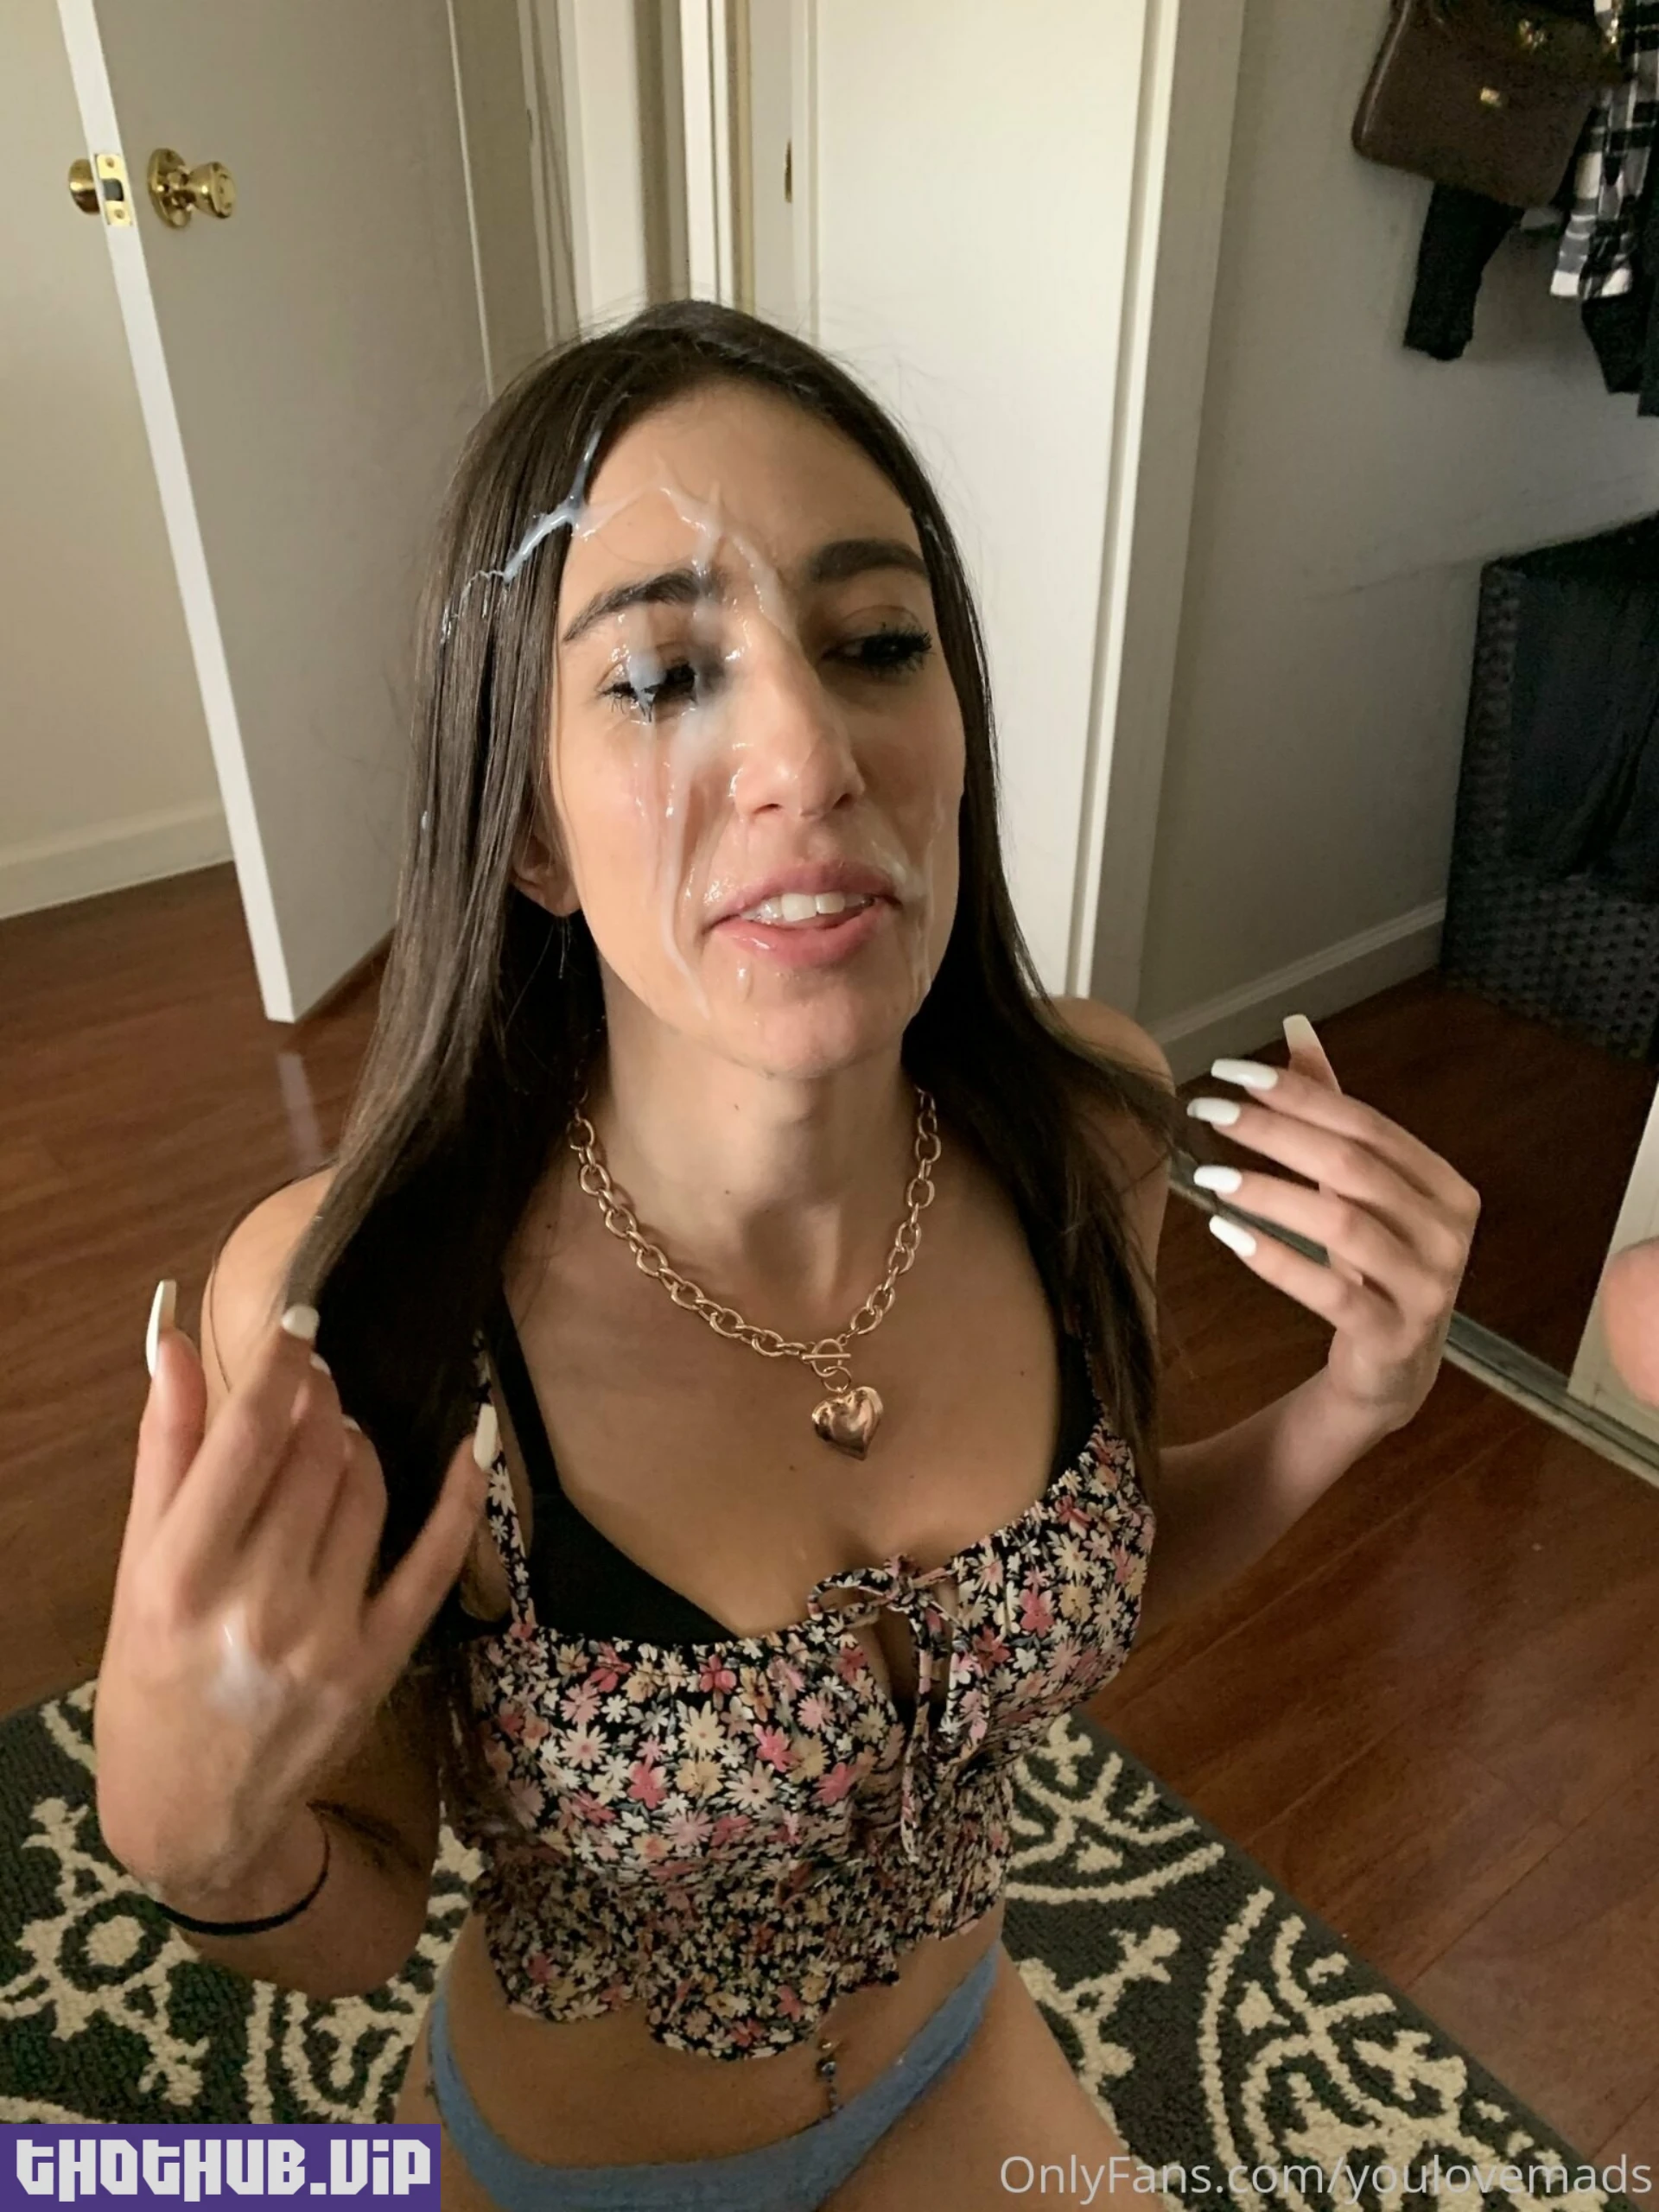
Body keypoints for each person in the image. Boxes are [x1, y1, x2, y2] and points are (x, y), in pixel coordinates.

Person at [95, 302, 1479, 2211]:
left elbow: (1088, 1574)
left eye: (876, 644)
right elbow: (363, 1904)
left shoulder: (1087, 1126)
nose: (811, 756)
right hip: (575, 2165)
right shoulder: (373, 1301)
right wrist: (199, 1847)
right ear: (529, 829)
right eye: (662, 674)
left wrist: (1352, 1404)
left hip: (953, 2047)